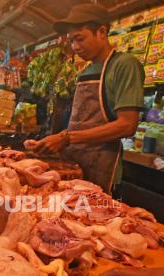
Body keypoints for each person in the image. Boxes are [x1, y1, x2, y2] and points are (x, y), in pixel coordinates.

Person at [32, 4, 144, 194]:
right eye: (71, 41)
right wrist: (51, 141)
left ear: (101, 32)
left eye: (80, 39)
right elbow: (83, 123)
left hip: (102, 166)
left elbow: (127, 125)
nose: (75, 47)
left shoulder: (124, 65)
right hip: (75, 165)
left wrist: (66, 138)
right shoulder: (85, 71)